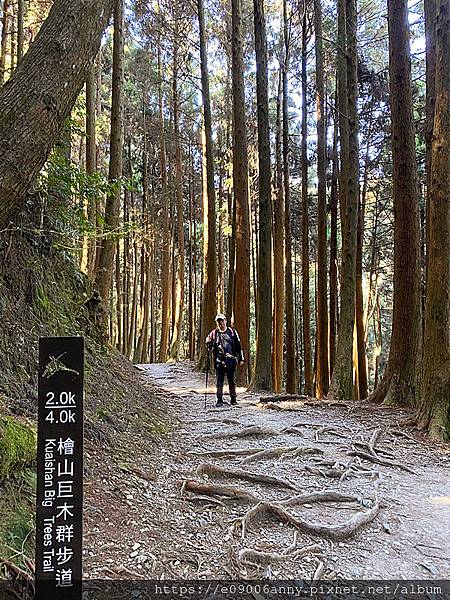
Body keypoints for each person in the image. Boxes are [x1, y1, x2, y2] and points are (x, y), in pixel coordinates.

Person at [205, 313, 244, 407]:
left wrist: (241, 358)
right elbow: (208, 344)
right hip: (219, 361)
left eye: (222, 321)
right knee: (219, 381)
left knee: (232, 381)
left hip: (231, 360)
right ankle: (219, 400)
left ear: (225, 321)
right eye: (218, 321)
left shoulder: (232, 332)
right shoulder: (214, 333)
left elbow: (238, 346)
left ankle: (233, 400)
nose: (220, 323)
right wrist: (208, 343)